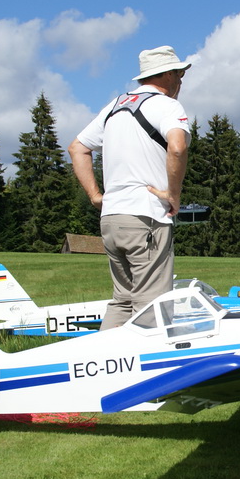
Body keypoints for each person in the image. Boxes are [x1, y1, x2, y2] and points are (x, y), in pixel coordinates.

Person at [68, 46, 191, 329]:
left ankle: (105, 356)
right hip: (146, 218)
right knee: (152, 306)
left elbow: (77, 148)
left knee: (122, 301)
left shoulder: (115, 106)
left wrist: (96, 196)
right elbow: (177, 147)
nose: (181, 81)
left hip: (111, 218)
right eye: (180, 74)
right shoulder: (167, 106)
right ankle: (147, 358)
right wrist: (173, 194)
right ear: (168, 74)